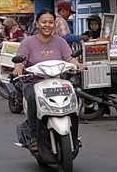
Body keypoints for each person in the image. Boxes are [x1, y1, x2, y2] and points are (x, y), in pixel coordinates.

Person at [13, 9, 79, 151]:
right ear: (37, 23)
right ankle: (34, 137)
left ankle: (74, 137)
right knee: (31, 99)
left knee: (75, 98)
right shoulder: (28, 42)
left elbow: (69, 57)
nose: (47, 25)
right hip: (34, 82)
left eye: (50, 22)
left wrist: (78, 64)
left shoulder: (60, 42)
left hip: (58, 82)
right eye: (43, 22)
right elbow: (21, 61)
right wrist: (18, 68)